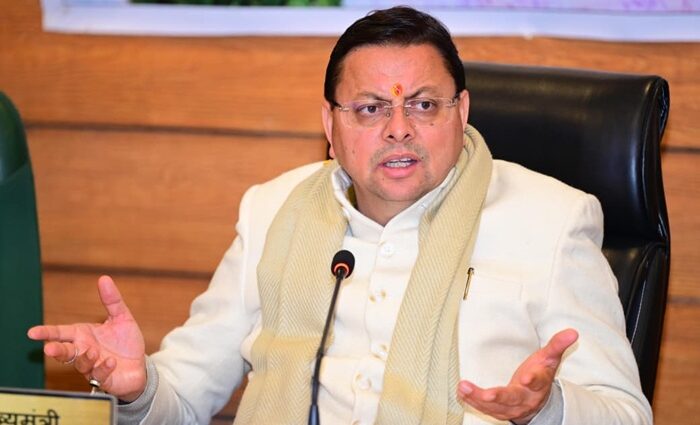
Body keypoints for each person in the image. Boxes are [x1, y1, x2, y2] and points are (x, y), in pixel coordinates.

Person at [28, 6, 652, 425]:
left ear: (462, 112)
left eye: (425, 105)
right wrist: (138, 386)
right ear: (330, 124)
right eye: (370, 108)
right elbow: (185, 397)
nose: (400, 129)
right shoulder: (273, 210)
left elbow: (627, 414)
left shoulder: (551, 221)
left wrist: (546, 410)